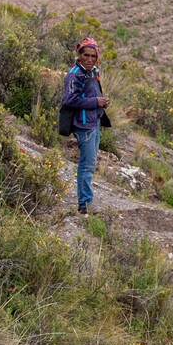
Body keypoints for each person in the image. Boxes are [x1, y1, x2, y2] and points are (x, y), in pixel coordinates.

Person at [57, 37, 111, 215]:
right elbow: (70, 99)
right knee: (86, 166)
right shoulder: (75, 74)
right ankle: (84, 204)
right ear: (79, 56)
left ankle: (86, 202)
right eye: (86, 55)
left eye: (93, 56)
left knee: (90, 164)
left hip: (93, 122)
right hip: (83, 124)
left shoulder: (91, 72)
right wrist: (96, 101)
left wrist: (102, 103)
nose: (89, 59)